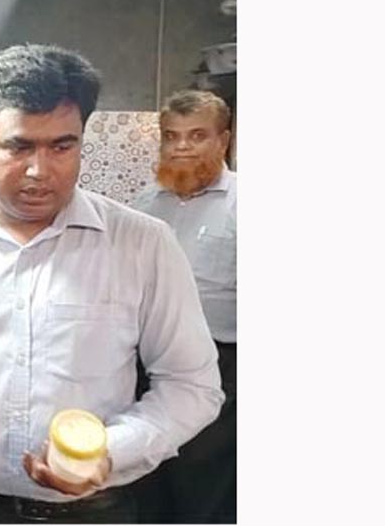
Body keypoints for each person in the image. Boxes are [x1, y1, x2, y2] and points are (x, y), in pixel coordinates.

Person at [0, 44, 223, 523]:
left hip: (94, 513)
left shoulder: (143, 244)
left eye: (61, 146)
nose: (40, 171)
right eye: (18, 146)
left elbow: (192, 385)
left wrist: (110, 451)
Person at [133, 89, 236, 523]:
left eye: (197, 135)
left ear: (223, 140)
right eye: (171, 136)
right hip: (148, 362)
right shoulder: (146, 204)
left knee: (202, 486)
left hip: (222, 364)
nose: (181, 147)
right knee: (148, 477)